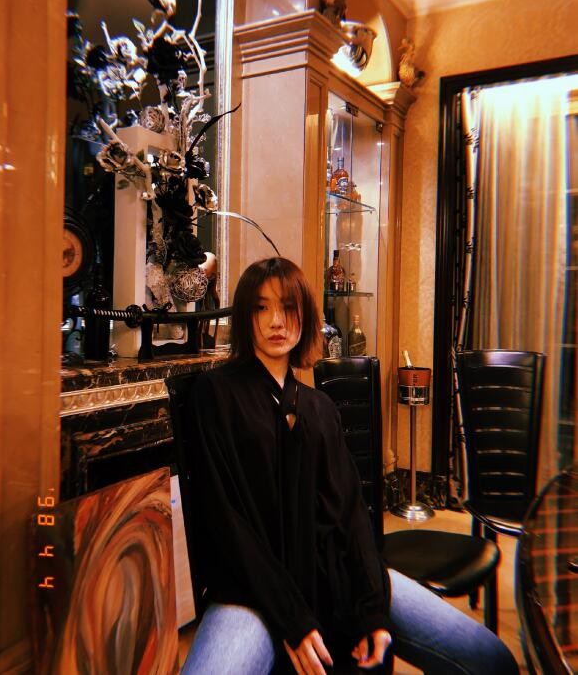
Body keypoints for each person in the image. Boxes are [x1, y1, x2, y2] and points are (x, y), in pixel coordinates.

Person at [182, 257, 519, 674]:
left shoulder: (320, 408)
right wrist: (292, 618)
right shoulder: (215, 394)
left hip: (333, 572)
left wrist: (372, 608)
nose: (276, 321)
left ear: (305, 315)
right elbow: (225, 521)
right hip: (252, 588)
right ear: (244, 317)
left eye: (288, 307)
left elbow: (351, 513)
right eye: (260, 308)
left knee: (490, 657)